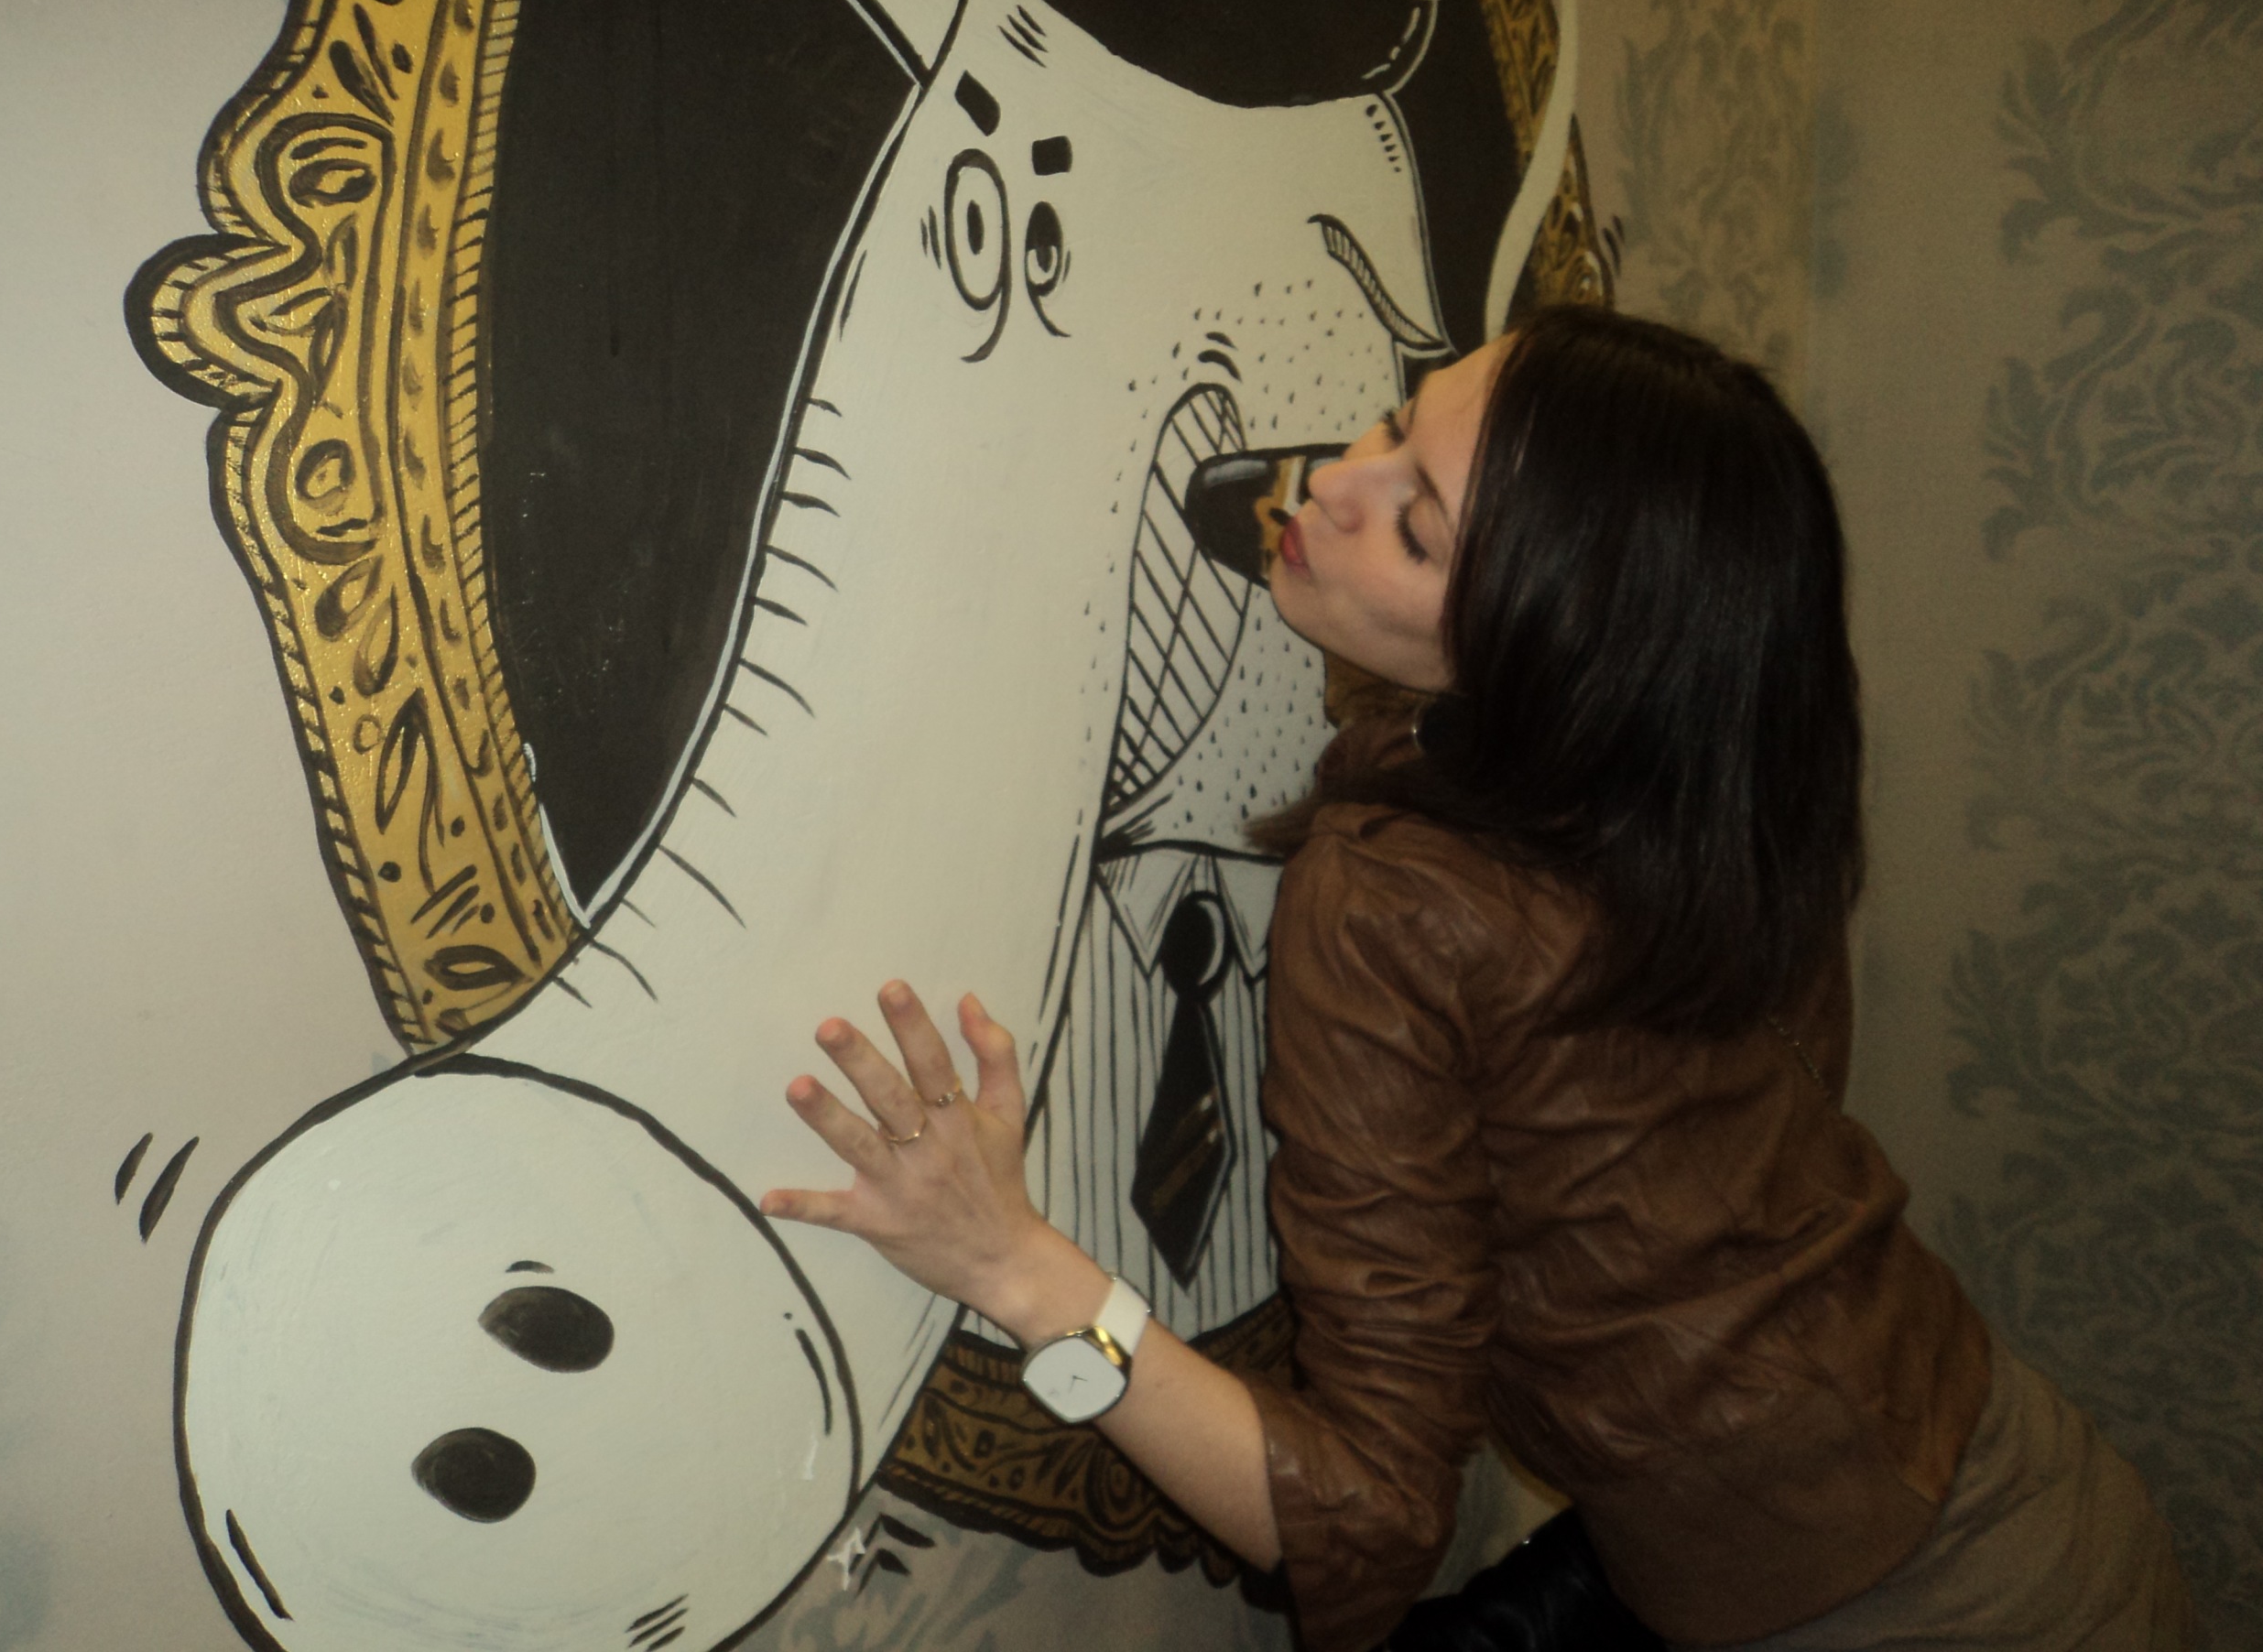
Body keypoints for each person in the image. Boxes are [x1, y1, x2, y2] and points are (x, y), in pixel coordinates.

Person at [757, 306, 2195, 1650]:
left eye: (1420, 531)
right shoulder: (1707, 758)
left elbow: (1365, 1521)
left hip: (1921, 1608)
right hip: (2015, 1471)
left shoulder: (1391, 895)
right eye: (1394, 427)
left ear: (1543, 655)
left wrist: (1017, 1268)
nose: (1328, 485)